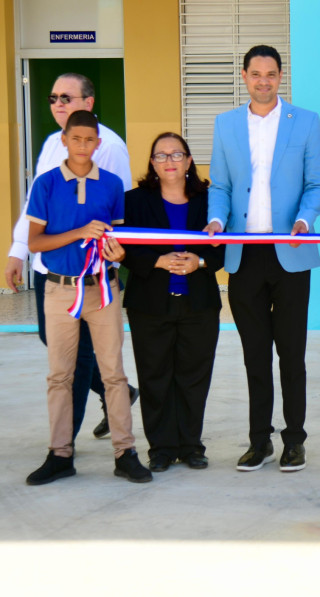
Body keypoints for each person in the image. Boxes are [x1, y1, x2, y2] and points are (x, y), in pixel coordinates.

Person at [206, 45, 320, 473]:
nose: (263, 81)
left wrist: (304, 220)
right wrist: (217, 219)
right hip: (243, 255)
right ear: (244, 76)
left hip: (291, 252)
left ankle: (295, 440)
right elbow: (218, 184)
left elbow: (316, 183)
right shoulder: (226, 124)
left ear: (280, 77)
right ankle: (260, 441)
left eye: (271, 74)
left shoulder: (306, 122)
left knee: (291, 354)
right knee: (254, 354)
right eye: (255, 74)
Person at [5, 73, 137, 441]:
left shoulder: (109, 147)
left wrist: (112, 259)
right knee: (59, 349)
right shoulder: (51, 143)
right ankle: (89, 422)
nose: (59, 103)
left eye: (67, 97)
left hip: (93, 276)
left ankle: (67, 443)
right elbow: (37, 205)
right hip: (52, 268)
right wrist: (18, 250)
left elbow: (117, 213)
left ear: (89, 103)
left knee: (82, 362)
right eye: (53, 98)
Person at [25, 110, 151, 485]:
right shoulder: (46, 184)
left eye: (89, 140)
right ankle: (60, 453)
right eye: (75, 138)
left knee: (114, 374)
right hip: (59, 290)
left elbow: (120, 238)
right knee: (60, 376)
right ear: (63, 140)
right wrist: (79, 231)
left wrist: (117, 251)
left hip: (103, 289)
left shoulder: (111, 184)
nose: (82, 145)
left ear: (98, 143)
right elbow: (36, 242)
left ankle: (125, 452)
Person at [109, 133, 224, 472]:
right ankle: (160, 448)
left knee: (193, 377)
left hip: (199, 304)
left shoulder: (211, 202)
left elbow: (228, 245)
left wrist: (199, 262)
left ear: (189, 161)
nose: (169, 161)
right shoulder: (135, 201)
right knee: (154, 376)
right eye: (161, 155)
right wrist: (157, 262)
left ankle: (191, 446)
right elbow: (124, 247)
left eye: (177, 154)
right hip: (150, 304)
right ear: (152, 164)